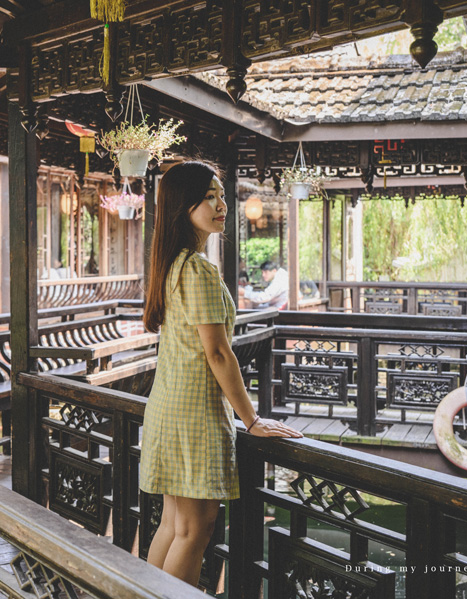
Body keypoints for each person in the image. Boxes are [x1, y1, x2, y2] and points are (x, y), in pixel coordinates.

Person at [140, 161, 302, 587]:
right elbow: (217, 353)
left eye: (221, 195)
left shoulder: (173, 264)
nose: (221, 204)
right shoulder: (197, 269)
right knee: (194, 530)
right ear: (183, 205)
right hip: (194, 413)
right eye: (209, 196)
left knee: (174, 525)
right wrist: (251, 419)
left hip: (168, 407)